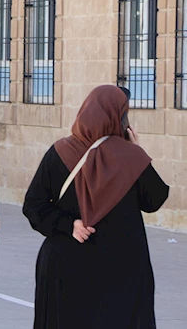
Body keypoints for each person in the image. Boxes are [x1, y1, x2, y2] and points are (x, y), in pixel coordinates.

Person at [22, 85, 169, 329]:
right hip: (120, 268)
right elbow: (154, 200)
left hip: (66, 264)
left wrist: (68, 225)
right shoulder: (130, 157)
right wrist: (137, 151)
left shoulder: (59, 152)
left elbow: (33, 206)